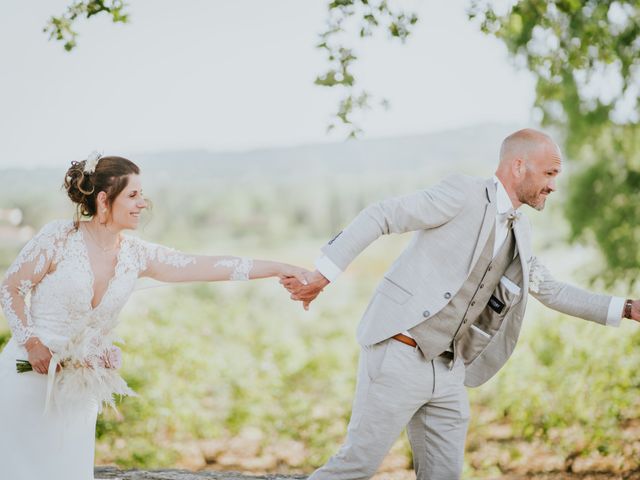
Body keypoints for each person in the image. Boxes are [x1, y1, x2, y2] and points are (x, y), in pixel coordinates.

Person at [282, 128, 640, 480]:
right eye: (549, 173)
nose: (553, 185)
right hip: (400, 351)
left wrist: (626, 308)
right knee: (357, 465)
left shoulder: (522, 230)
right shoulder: (462, 193)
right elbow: (383, 214)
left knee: (444, 474)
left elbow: (550, 289)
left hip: (451, 369)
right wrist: (323, 274)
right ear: (518, 166)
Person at [0, 153, 309, 480]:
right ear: (104, 200)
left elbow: (207, 265)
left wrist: (278, 268)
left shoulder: (136, 255)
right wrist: (32, 343)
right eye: (133, 195)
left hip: (78, 394)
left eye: (141, 195)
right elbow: (12, 288)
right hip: (27, 381)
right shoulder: (59, 237)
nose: (143, 203)